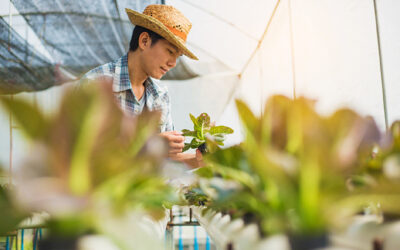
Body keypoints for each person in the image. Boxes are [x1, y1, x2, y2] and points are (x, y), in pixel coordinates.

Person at [81, 4, 202, 168]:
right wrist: (147, 145)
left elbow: (165, 159)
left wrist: (197, 160)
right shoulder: (96, 85)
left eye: (178, 56)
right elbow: (84, 153)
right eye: (170, 51)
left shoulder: (160, 95)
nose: (173, 63)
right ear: (144, 41)